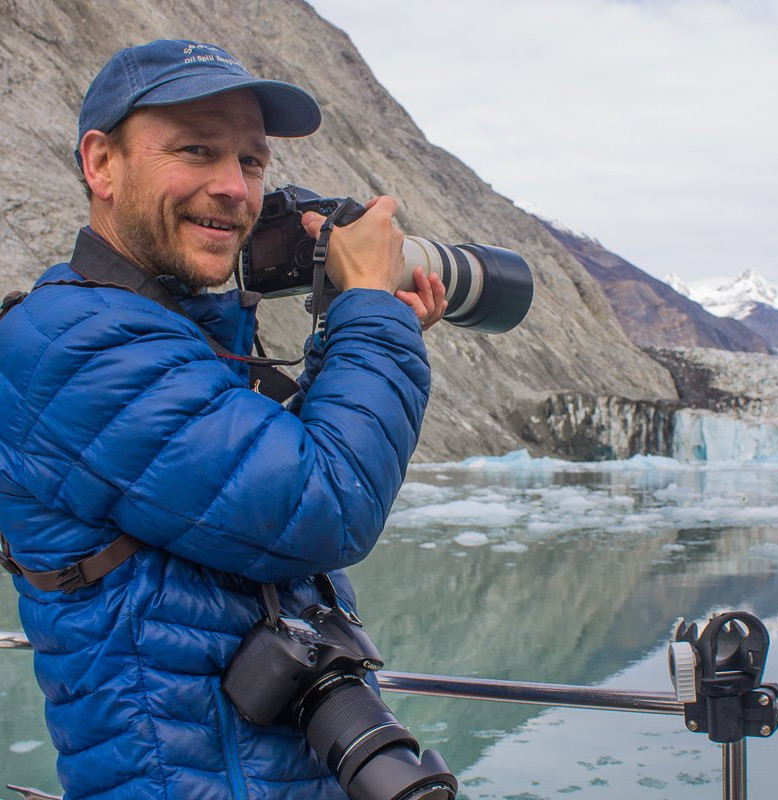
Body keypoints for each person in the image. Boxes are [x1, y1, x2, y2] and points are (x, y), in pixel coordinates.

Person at [0, 39, 446, 799]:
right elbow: (323, 504)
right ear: (101, 164)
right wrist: (371, 312)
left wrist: (349, 324)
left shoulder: (173, 339)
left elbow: (245, 471)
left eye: (251, 161)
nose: (234, 188)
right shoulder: (70, 344)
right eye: (196, 150)